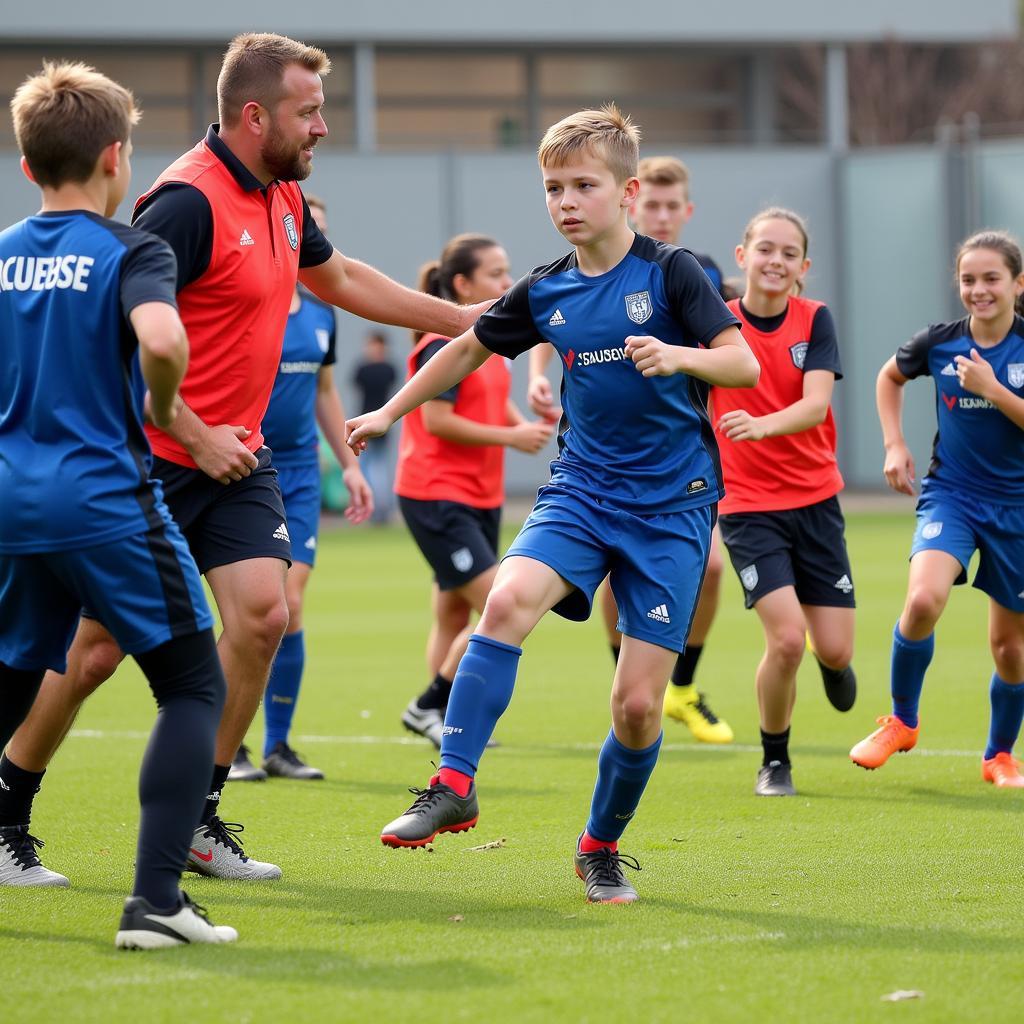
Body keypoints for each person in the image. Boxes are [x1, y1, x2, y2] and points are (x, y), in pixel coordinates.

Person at [0, 32, 488, 886]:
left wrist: (468, 321)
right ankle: (8, 817)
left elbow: (339, 281)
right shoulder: (183, 203)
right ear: (254, 115)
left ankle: (196, 816)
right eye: (310, 112)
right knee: (91, 656)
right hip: (150, 458)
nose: (324, 128)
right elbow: (121, 338)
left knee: (264, 617)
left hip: (238, 458)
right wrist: (189, 431)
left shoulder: (284, 195)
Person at [347, 105, 758, 903]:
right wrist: (390, 412)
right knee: (502, 604)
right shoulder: (546, 289)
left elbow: (740, 362)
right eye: (552, 188)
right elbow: (465, 348)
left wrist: (678, 356)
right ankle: (454, 781)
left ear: (628, 192)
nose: (565, 201)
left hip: (673, 508)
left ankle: (599, 845)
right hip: (581, 491)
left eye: (582, 185)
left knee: (637, 707)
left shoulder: (672, 274)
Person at [0, 62, 237, 947]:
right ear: (115, 158)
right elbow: (164, 336)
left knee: (16, 674)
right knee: (190, 684)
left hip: (12, 504)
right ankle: (157, 904)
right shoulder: (133, 249)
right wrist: (167, 407)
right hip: (102, 500)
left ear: (28, 167)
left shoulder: (4, 250)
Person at [527, 154, 734, 744]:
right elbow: (558, 321)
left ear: (687, 211)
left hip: (682, 457)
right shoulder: (591, 266)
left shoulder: (693, 270)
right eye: (655, 206)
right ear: (632, 201)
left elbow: (735, 350)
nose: (663, 216)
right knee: (615, 580)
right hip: (602, 465)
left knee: (713, 568)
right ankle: (632, 685)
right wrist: (537, 374)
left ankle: (680, 686)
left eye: (674, 207)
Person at [851, 230, 1024, 787]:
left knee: (1009, 647)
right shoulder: (939, 342)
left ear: (1017, 284)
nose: (979, 290)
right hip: (951, 494)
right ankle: (901, 721)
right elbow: (888, 376)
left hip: (1017, 509)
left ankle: (999, 755)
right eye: (969, 279)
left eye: (991, 278)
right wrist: (894, 443)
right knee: (923, 599)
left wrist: (994, 390)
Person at [229, 195, 373, 782]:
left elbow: (324, 392)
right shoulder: (248, 303)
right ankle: (231, 746)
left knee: (291, 601)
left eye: (321, 228)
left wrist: (352, 465)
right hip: (244, 464)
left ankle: (278, 746)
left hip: (303, 471)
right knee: (257, 607)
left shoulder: (321, 313)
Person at [712, 207, 856, 798]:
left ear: (803, 267)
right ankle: (775, 760)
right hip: (746, 505)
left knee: (833, 647)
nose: (776, 261)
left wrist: (761, 424)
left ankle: (836, 662)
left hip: (817, 500)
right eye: (765, 249)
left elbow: (816, 406)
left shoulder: (814, 320)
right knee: (787, 640)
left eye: (789, 253)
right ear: (742, 255)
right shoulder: (715, 324)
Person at [396, 234, 553, 747]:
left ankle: (442, 718)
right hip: (436, 494)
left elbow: (491, 405)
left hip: (478, 495)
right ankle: (430, 704)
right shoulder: (440, 347)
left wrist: (527, 421)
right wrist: (511, 435)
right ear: (462, 284)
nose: (507, 283)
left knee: (453, 614)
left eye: (508, 272)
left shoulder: (486, 344)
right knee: (499, 604)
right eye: (495, 274)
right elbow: (438, 422)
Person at [352, 330, 399, 524]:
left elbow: (358, 381)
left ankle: (377, 509)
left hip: (371, 423)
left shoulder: (368, 368)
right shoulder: (389, 368)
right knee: (374, 467)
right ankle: (378, 509)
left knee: (374, 468)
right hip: (376, 423)